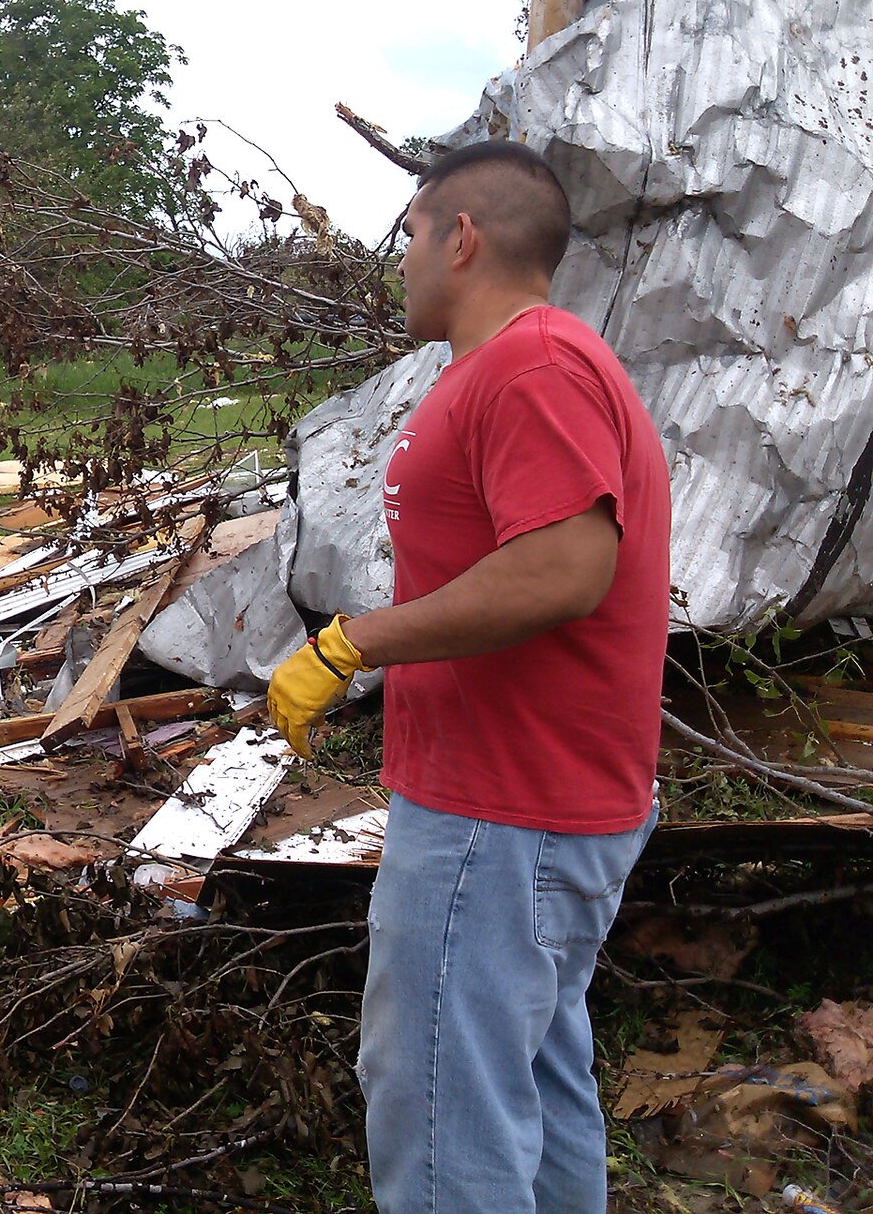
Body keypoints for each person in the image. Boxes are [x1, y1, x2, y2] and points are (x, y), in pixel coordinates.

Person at [266, 142, 670, 1214]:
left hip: (504, 815)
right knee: (523, 1088)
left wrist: (350, 643)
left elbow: (561, 569)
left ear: (462, 238)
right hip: (522, 808)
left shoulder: (530, 367)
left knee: (442, 1109)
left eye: (407, 235)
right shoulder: (519, 364)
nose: (398, 261)